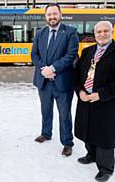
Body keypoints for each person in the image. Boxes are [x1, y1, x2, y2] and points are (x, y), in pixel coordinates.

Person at [74, 21, 115, 182]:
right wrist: (80, 91)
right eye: (98, 31)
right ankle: (91, 155)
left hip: (107, 102)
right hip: (85, 99)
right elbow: (77, 75)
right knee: (88, 129)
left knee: (105, 135)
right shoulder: (87, 52)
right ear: (94, 34)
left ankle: (106, 167)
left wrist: (100, 95)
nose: (101, 34)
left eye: (105, 31)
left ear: (112, 32)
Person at [31, 3, 79, 156]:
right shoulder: (40, 33)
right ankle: (46, 133)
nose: (52, 17)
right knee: (45, 110)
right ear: (45, 17)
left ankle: (67, 142)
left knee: (64, 114)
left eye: (54, 14)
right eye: (49, 14)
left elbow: (71, 55)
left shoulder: (70, 32)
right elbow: (34, 55)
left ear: (60, 14)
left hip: (62, 82)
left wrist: (52, 69)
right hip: (43, 81)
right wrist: (44, 70)